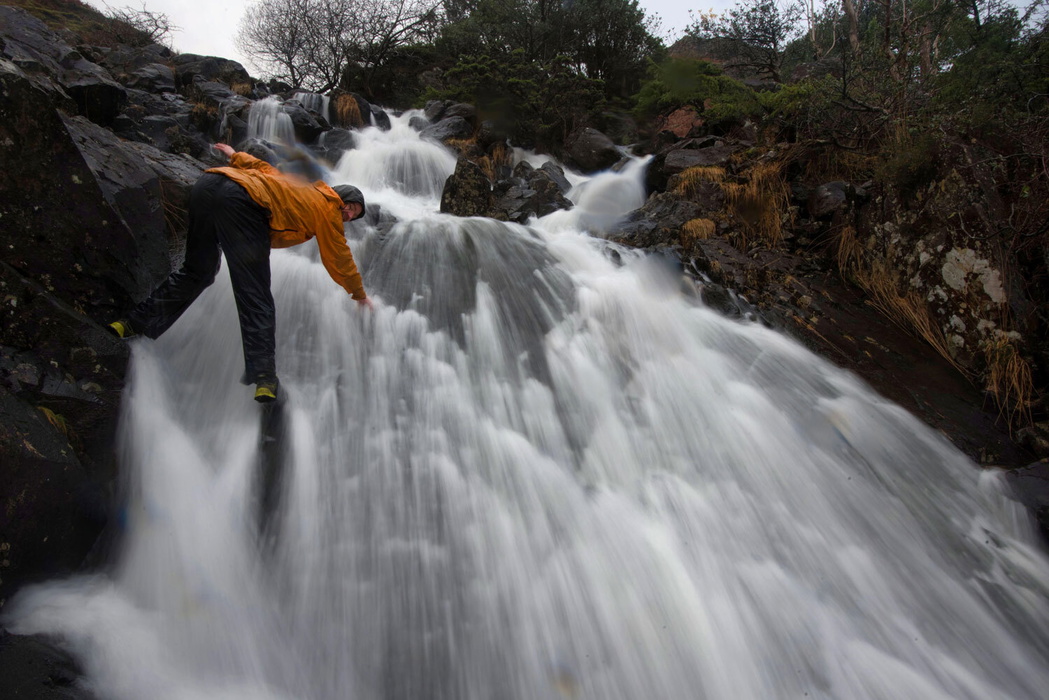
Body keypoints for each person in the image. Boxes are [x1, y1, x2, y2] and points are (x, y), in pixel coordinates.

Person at [108, 142, 373, 403]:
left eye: (353, 216)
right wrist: (359, 295)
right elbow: (339, 258)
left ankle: (132, 322)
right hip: (242, 203)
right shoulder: (328, 207)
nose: (348, 215)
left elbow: (263, 168)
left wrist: (235, 155)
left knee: (198, 271)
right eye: (350, 207)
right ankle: (264, 377)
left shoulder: (300, 186)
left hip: (208, 186)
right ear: (339, 197)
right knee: (254, 292)